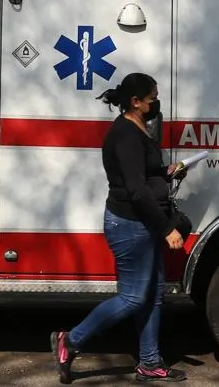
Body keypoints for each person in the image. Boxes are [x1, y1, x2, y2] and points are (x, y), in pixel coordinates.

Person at [50, 73, 188, 384]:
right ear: (135, 102)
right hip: (130, 225)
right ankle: (70, 340)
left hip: (144, 223)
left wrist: (168, 172)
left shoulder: (139, 128)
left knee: (153, 296)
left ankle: (150, 362)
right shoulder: (124, 134)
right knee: (133, 298)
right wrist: (167, 229)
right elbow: (136, 190)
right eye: (152, 99)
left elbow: (145, 172)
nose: (156, 103)